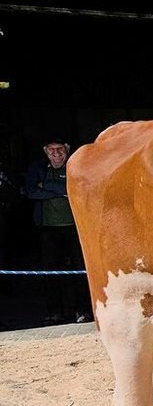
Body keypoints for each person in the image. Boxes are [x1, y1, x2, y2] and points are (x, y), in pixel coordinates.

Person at [24, 139, 90, 324]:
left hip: (75, 228)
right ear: (45, 151)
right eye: (51, 150)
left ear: (67, 150)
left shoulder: (75, 165)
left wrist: (45, 185)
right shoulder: (37, 168)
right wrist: (62, 190)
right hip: (48, 230)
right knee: (50, 272)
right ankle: (54, 313)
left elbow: (79, 190)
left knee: (80, 271)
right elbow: (31, 192)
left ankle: (82, 310)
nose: (56, 154)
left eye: (60, 149)